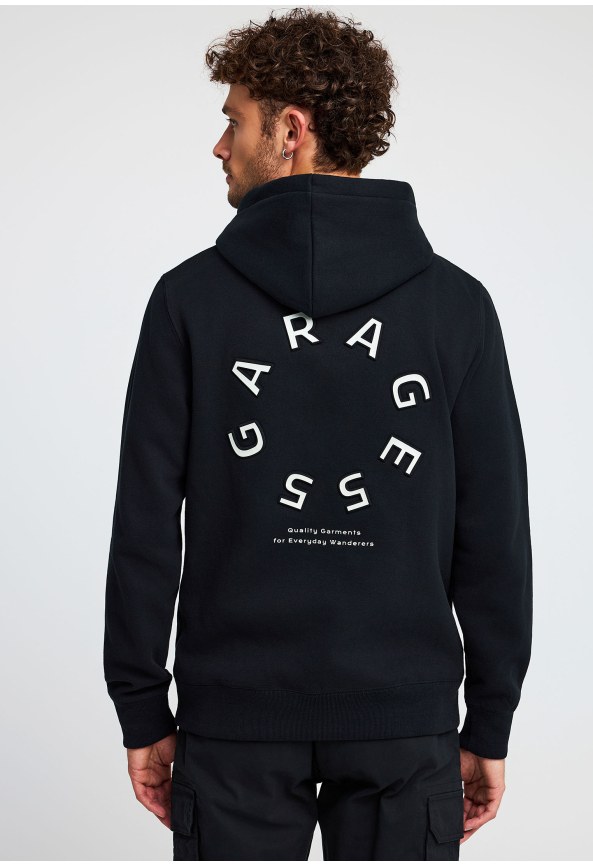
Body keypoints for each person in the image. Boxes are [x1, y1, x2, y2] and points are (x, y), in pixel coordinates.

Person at [103, 8, 533, 860]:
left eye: (233, 121)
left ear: (289, 131)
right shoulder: (454, 306)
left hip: (233, 720)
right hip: (402, 720)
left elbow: (144, 524)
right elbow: (495, 533)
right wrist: (488, 721)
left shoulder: (189, 299)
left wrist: (143, 710)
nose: (219, 146)